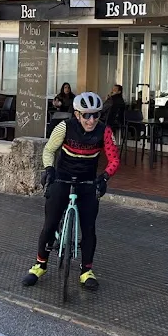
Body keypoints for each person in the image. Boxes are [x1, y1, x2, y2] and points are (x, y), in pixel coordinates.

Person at [22, 91, 120, 292]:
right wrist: (49, 169)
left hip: (87, 181)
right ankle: (40, 265)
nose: (91, 120)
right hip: (62, 177)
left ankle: (86, 271)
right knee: (49, 224)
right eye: (86, 115)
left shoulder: (104, 131)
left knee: (89, 228)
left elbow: (114, 159)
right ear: (77, 114)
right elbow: (49, 150)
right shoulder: (64, 127)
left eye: (95, 115)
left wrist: (105, 177)